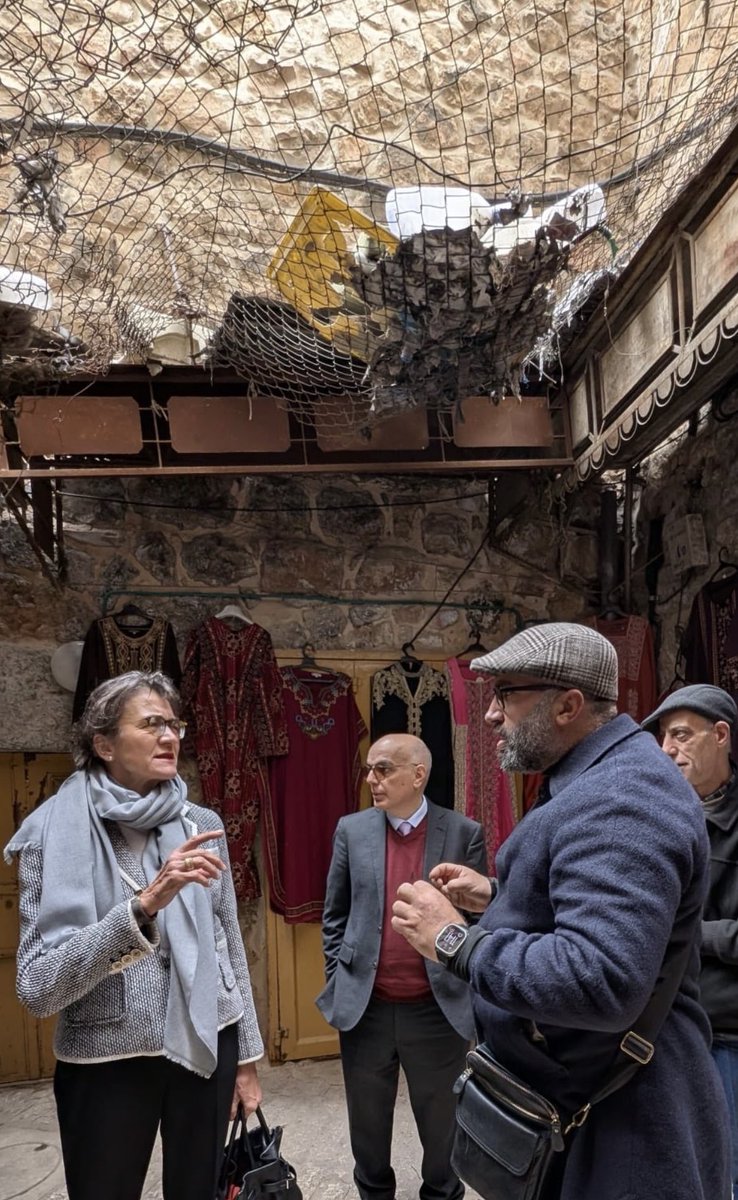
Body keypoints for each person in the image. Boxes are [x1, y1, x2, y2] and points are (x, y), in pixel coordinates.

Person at [390, 622, 731, 1200]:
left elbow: (601, 977)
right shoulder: (600, 777)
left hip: (627, 1135)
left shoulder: (624, 798)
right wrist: (499, 897)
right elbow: (609, 910)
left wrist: (454, 941)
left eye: (507, 695)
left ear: (569, 705)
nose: (493, 715)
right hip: (594, 1110)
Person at [4, 670, 263, 1200]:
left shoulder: (199, 824)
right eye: (150, 724)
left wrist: (248, 1062)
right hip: (106, 1061)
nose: (169, 736)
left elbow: (228, 945)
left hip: (208, 1043)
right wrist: (142, 907)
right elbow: (36, 986)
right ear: (103, 743)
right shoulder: (51, 833)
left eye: (174, 724)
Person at [316, 733, 486, 1200]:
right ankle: (374, 1193)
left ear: (418, 774)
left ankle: (441, 1193)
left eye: (384, 768)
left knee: (442, 1125)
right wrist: (339, 975)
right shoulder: (352, 829)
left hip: (437, 1009)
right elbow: (336, 913)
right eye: (370, 769)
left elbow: (477, 919)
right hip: (366, 1008)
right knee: (367, 1124)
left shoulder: (462, 833)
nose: (372, 779)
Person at [642, 684, 738, 1199]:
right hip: (663, 1026)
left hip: (725, 1030)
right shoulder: (659, 815)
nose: (667, 750)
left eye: (681, 735)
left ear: (720, 735)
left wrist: (682, 934)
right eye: (663, 738)